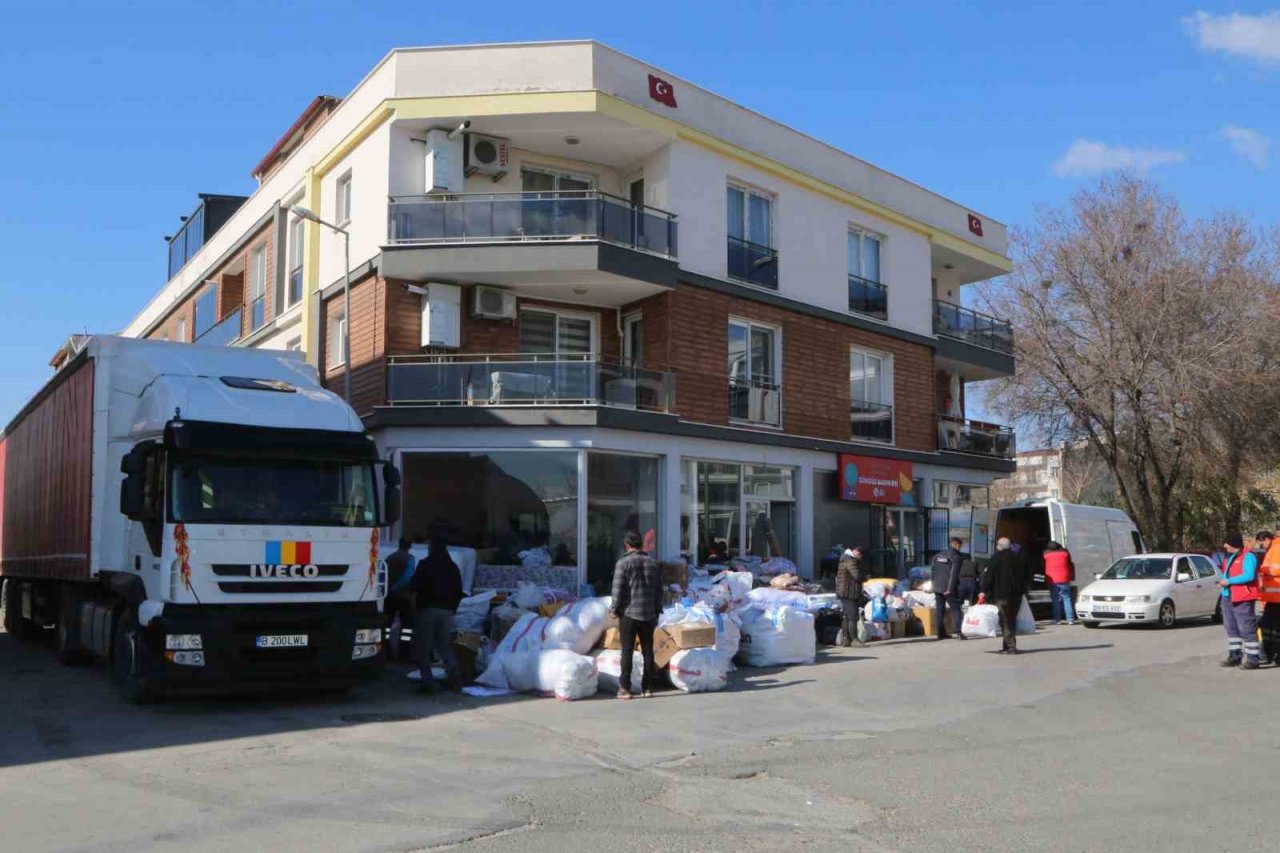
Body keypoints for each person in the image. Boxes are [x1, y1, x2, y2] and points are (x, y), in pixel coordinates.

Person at [610, 530, 662, 700]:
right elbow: (659, 590)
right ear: (640, 544)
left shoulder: (623, 563)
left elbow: (617, 590)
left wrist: (614, 609)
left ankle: (625, 688)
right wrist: (657, 608)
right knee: (648, 650)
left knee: (627, 650)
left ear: (627, 545)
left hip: (629, 613)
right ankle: (647, 688)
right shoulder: (652, 563)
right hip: (649, 614)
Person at [411, 533, 464, 692]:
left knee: (424, 647)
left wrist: (415, 607)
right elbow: (459, 591)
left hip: (427, 610)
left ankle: (428, 683)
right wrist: (452, 609)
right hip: (447, 612)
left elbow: (414, 587)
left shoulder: (425, 564)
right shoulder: (453, 567)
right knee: (444, 646)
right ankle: (455, 678)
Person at [1217, 532, 1261, 670]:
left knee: (1247, 628)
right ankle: (1235, 656)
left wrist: (1228, 581)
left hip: (1243, 597)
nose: (1224, 546)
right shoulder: (1229, 557)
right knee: (1231, 628)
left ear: (1233, 544)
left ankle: (1253, 659)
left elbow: (1249, 575)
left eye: (1226, 543)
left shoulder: (1248, 556)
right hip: (1228, 596)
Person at [982, 537, 1029, 654]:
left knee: (1005, 621)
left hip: (1000, 595)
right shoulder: (1019, 558)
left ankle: (1011, 647)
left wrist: (983, 590)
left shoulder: (995, 559)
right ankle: (1007, 645)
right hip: (1016, 595)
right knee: (1011, 619)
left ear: (999, 546)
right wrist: (1024, 590)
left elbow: (988, 577)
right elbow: (1028, 575)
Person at [384, 538, 418, 661]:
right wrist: (397, 588)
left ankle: (386, 652)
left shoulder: (390, 557)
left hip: (389, 596)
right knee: (407, 627)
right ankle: (404, 654)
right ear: (409, 546)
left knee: (387, 625)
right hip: (404, 597)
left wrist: (389, 589)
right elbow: (407, 577)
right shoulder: (410, 558)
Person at [930, 537, 966, 640]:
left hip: (937, 587)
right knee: (956, 609)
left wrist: (933, 586)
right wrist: (949, 588)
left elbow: (932, 571)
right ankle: (958, 631)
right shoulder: (956, 557)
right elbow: (954, 574)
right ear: (957, 545)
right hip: (949, 588)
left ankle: (940, 633)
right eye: (960, 546)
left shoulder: (937, 555)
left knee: (940, 610)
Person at [836, 545, 866, 648]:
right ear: (857, 553)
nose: (860, 558)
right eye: (861, 556)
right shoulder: (850, 560)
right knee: (853, 616)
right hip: (849, 592)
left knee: (847, 617)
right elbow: (856, 575)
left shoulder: (845, 558)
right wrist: (865, 577)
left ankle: (846, 640)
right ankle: (854, 640)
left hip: (844, 592)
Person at [1258, 531, 1280, 665]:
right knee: (1267, 627)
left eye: (1262, 542)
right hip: (1271, 598)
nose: (1261, 545)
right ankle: (1268, 654)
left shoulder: (1276, 549)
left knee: (1275, 628)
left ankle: (1272, 654)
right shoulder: (1272, 549)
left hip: (1277, 598)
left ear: (1267, 539)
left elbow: (1275, 569)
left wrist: (1266, 570)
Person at [1043, 541, 1076, 626]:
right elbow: (1070, 563)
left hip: (1052, 580)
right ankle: (1070, 619)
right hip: (1064, 578)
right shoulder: (1065, 553)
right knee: (1067, 598)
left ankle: (1057, 619)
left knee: (1055, 600)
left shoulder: (1046, 554)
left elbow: (1042, 565)